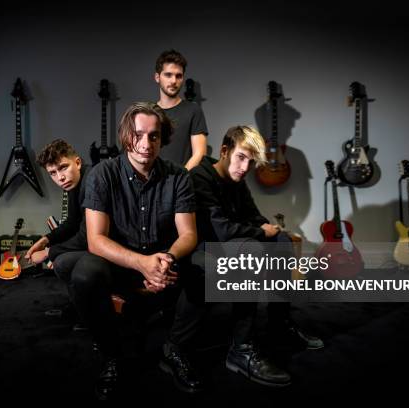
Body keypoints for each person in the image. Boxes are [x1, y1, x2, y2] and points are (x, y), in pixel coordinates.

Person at [70, 102, 205, 400]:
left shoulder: (178, 176)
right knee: (84, 275)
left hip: (162, 263)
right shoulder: (102, 174)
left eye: (154, 136)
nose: (146, 144)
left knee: (210, 262)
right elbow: (96, 240)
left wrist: (165, 260)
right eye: (138, 135)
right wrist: (141, 263)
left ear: (162, 138)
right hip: (119, 263)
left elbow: (189, 234)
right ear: (125, 136)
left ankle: (174, 348)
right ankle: (111, 355)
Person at [189, 125, 324, 387]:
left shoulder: (237, 179)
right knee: (252, 249)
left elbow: (253, 215)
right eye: (241, 157)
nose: (245, 167)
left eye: (251, 162)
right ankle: (240, 349)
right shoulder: (200, 177)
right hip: (204, 247)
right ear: (225, 151)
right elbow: (222, 230)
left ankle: (279, 324)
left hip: (232, 241)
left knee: (282, 241)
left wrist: (270, 231)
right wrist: (261, 232)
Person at [24, 139, 88, 281]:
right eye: (53, 173)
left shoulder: (92, 181)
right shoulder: (74, 183)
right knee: (61, 259)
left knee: (62, 262)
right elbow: (72, 222)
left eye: (63, 167)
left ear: (77, 163)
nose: (60, 178)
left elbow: (88, 236)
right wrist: (45, 240)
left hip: (118, 247)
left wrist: (48, 252)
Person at [154, 49, 208, 170]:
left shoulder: (193, 110)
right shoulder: (149, 112)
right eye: (168, 75)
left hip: (182, 183)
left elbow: (200, 154)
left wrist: (179, 179)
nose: (174, 81)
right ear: (157, 77)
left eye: (178, 76)